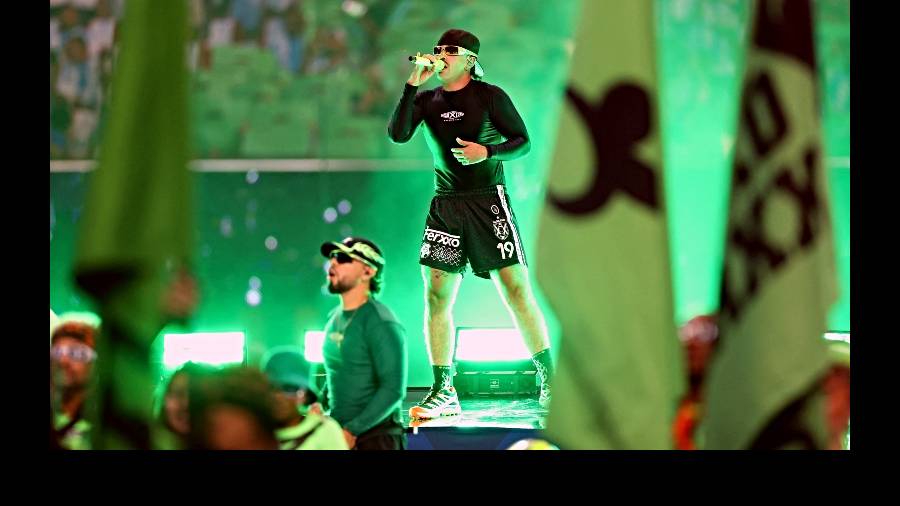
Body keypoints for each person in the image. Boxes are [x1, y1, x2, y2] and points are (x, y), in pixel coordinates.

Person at [387, 28, 553, 419]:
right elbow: (397, 134)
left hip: (487, 202)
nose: (440, 55)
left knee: (515, 289)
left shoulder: (490, 96)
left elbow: (523, 141)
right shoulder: (427, 100)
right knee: (436, 294)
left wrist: (487, 151)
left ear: (469, 60)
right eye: (437, 49)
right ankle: (443, 389)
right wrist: (412, 86)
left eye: (450, 50)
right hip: (446, 204)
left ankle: (549, 378)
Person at [319, 236, 408, 449]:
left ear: (368, 272)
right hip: (343, 435)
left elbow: (393, 390)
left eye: (342, 258)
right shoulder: (334, 318)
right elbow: (339, 373)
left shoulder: (381, 322)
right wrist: (317, 403)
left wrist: (352, 430)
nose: (333, 263)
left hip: (377, 439)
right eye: (332, 257)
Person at [262, 347, 349, 450]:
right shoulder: (253, 430)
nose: (279, 396)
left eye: (290, 388)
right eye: (272, 387)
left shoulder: (324, 430)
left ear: (305, 395)